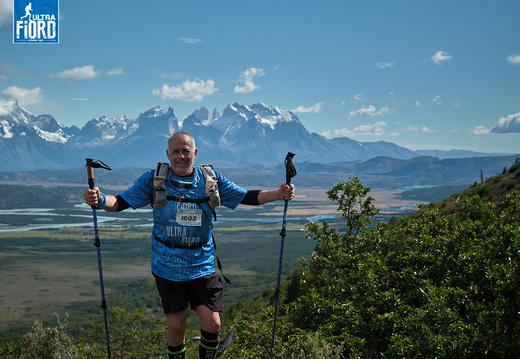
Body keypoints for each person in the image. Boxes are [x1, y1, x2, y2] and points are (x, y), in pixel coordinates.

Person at [84, 131, 295, 359]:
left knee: (213, 323)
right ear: (168, 154)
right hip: (167, 265)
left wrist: (278, 194)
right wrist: (101, 199)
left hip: (201, 263)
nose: (181, 156)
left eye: (186, 151)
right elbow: (120, 202)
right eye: (176, 151)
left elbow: (246, 197)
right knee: (176, 326)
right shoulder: (154, 179)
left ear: (195, 153)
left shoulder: (210, 180)